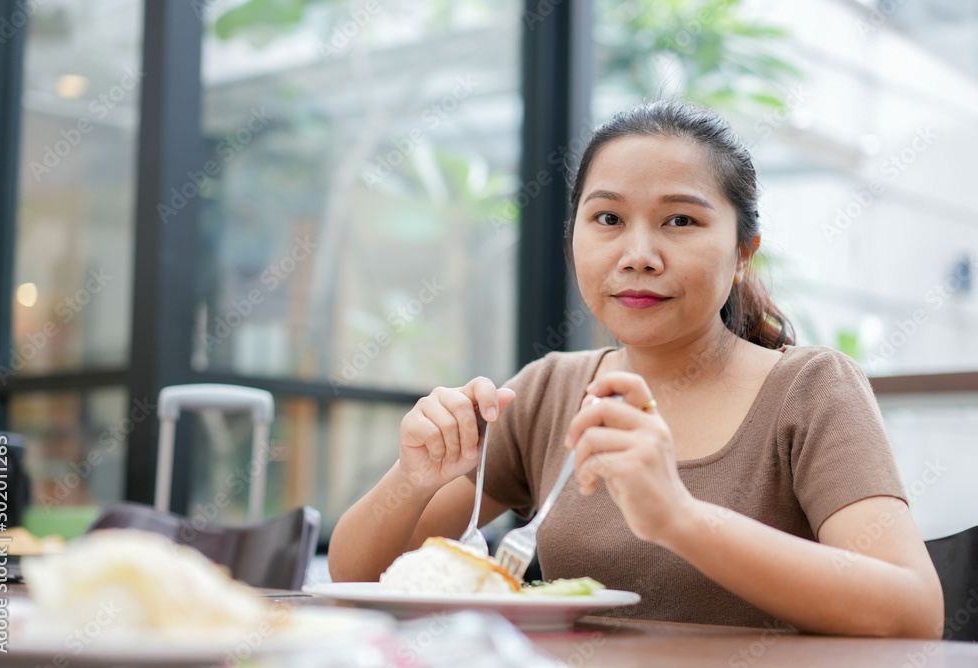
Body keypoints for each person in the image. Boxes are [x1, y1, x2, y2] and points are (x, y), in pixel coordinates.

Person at [329, 101, 944, 638]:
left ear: (741, 254)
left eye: (681, 220)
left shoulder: (810, 389)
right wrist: (411, 480)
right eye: (608, 219)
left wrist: (679, 517)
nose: (639, 256)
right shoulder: (547, 391)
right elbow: (359, 576)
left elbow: (913, 610)